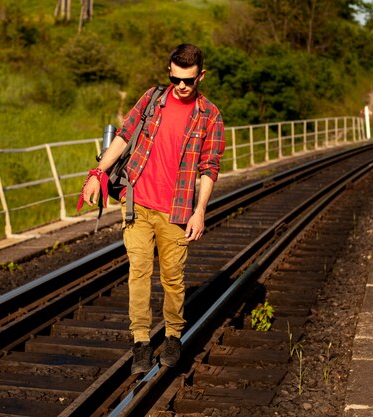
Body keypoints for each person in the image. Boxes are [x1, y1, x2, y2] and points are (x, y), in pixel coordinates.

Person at [80, 43, 225, 374]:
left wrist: (200, 211)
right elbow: (123, 137)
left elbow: (209, 168)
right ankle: (141, 343)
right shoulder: (152, 99)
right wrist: (96, 174)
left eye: (189, 80)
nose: (182, 87)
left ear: (201, 75)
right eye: (176, 80)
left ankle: (173, 335)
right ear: (169, 73)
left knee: (173, 279)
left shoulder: (210, 116)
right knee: (138, 274)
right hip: (138, 205)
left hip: (176, 210)